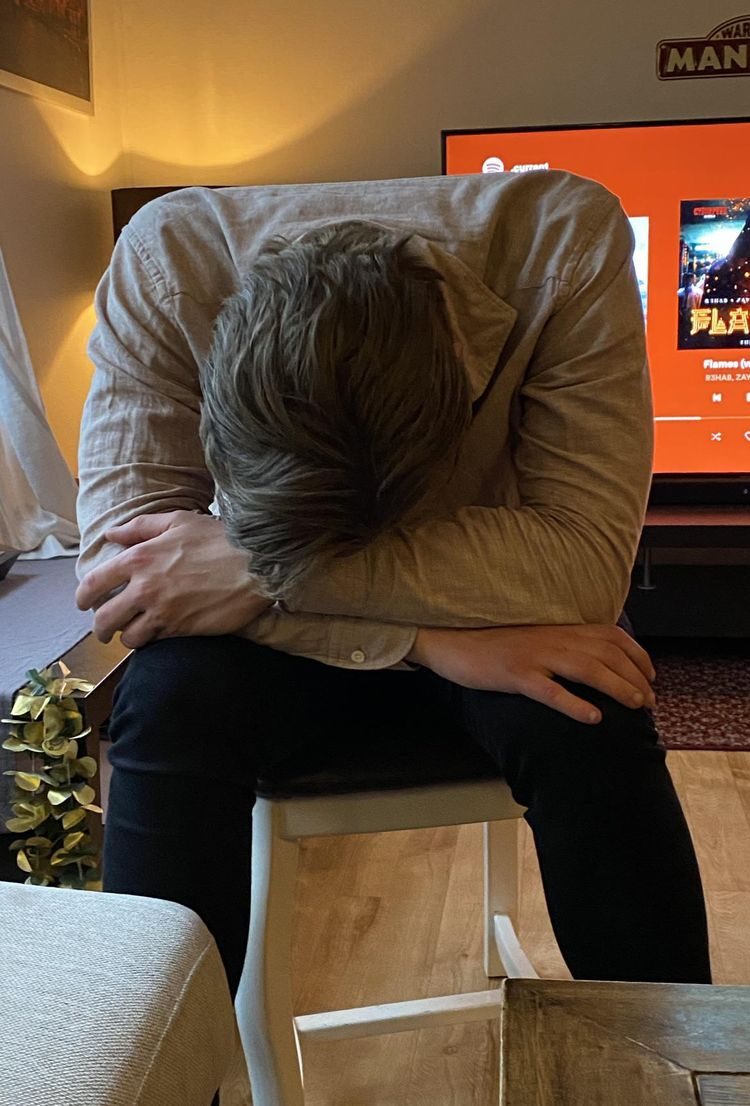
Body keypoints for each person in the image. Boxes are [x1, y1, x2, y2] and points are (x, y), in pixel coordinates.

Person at [76, 171, 711, 998]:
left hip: (501, 613)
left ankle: (667, 1052)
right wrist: (426, 641)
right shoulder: (165, 262)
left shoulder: (569, 240)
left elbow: (583, 566)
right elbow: (124, 583)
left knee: (591, 706)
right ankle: (158, 1056)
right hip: (459, 622)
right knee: (167, 702)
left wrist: (252, 565)